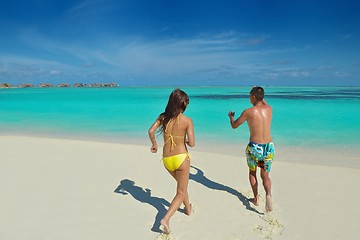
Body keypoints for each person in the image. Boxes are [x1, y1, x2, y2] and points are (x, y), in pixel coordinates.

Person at [148, 89, 195, 234]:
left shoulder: (163, 117)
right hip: (181, 158)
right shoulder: (187, 121)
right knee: (181, 191)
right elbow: (192, 143)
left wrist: (155, 144)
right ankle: (165, 219)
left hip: (167, 159)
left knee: (182, 186)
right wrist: (184, 140)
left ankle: (188, 209)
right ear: (183, 103)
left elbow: (150, 131)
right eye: (187, 102)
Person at [228, 86, 275, 212]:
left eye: (250, 95)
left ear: (254, 97)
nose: (249, 97)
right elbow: (263, 100)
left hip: (255, 147)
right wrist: (258, 91)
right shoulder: (269, 109)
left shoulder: (248, 112)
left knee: (252, 172)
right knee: (265, 175)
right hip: (268, 147)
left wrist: (231, 117)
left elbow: (234, 126)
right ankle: (268, 195)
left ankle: (256, 199)